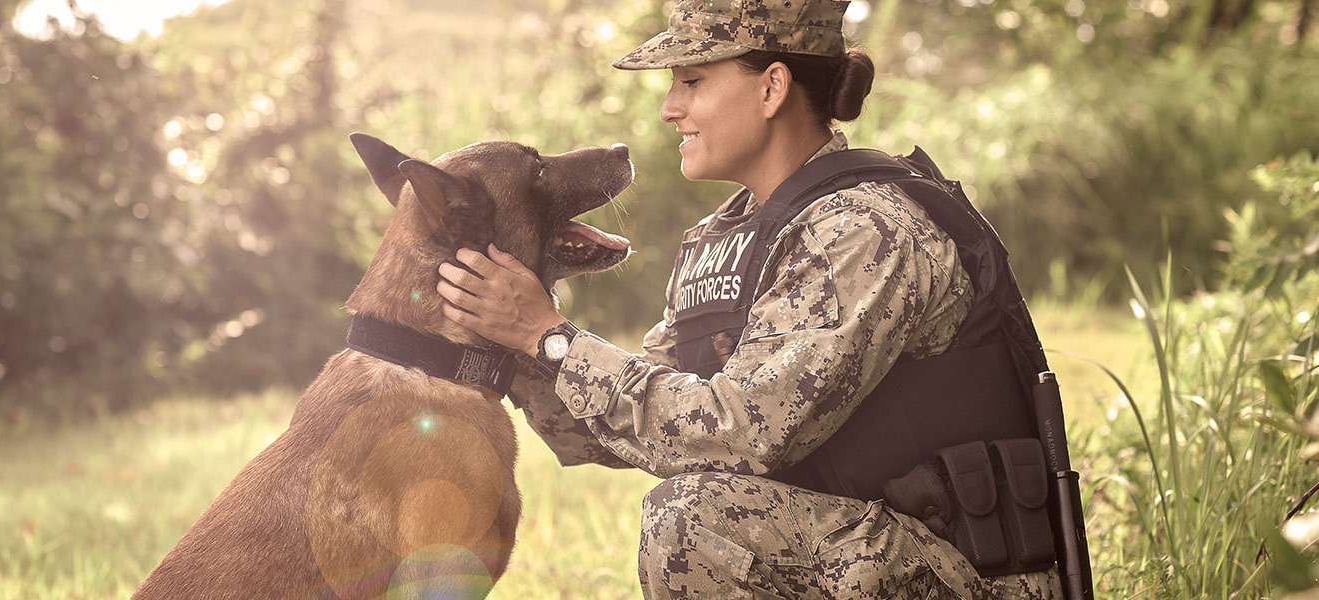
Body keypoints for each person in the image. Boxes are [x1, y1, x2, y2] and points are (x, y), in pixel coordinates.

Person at [435, 0, 1063, 597]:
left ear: (771, 88)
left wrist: (550, 338)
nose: (669, 108)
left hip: (967, 572)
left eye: (693, 81)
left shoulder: (862, 232)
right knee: (699, 508)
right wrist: (506, 341)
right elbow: (629, 425)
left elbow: (737, 433)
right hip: (866, 558)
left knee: (696, 520)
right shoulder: (730, 237)